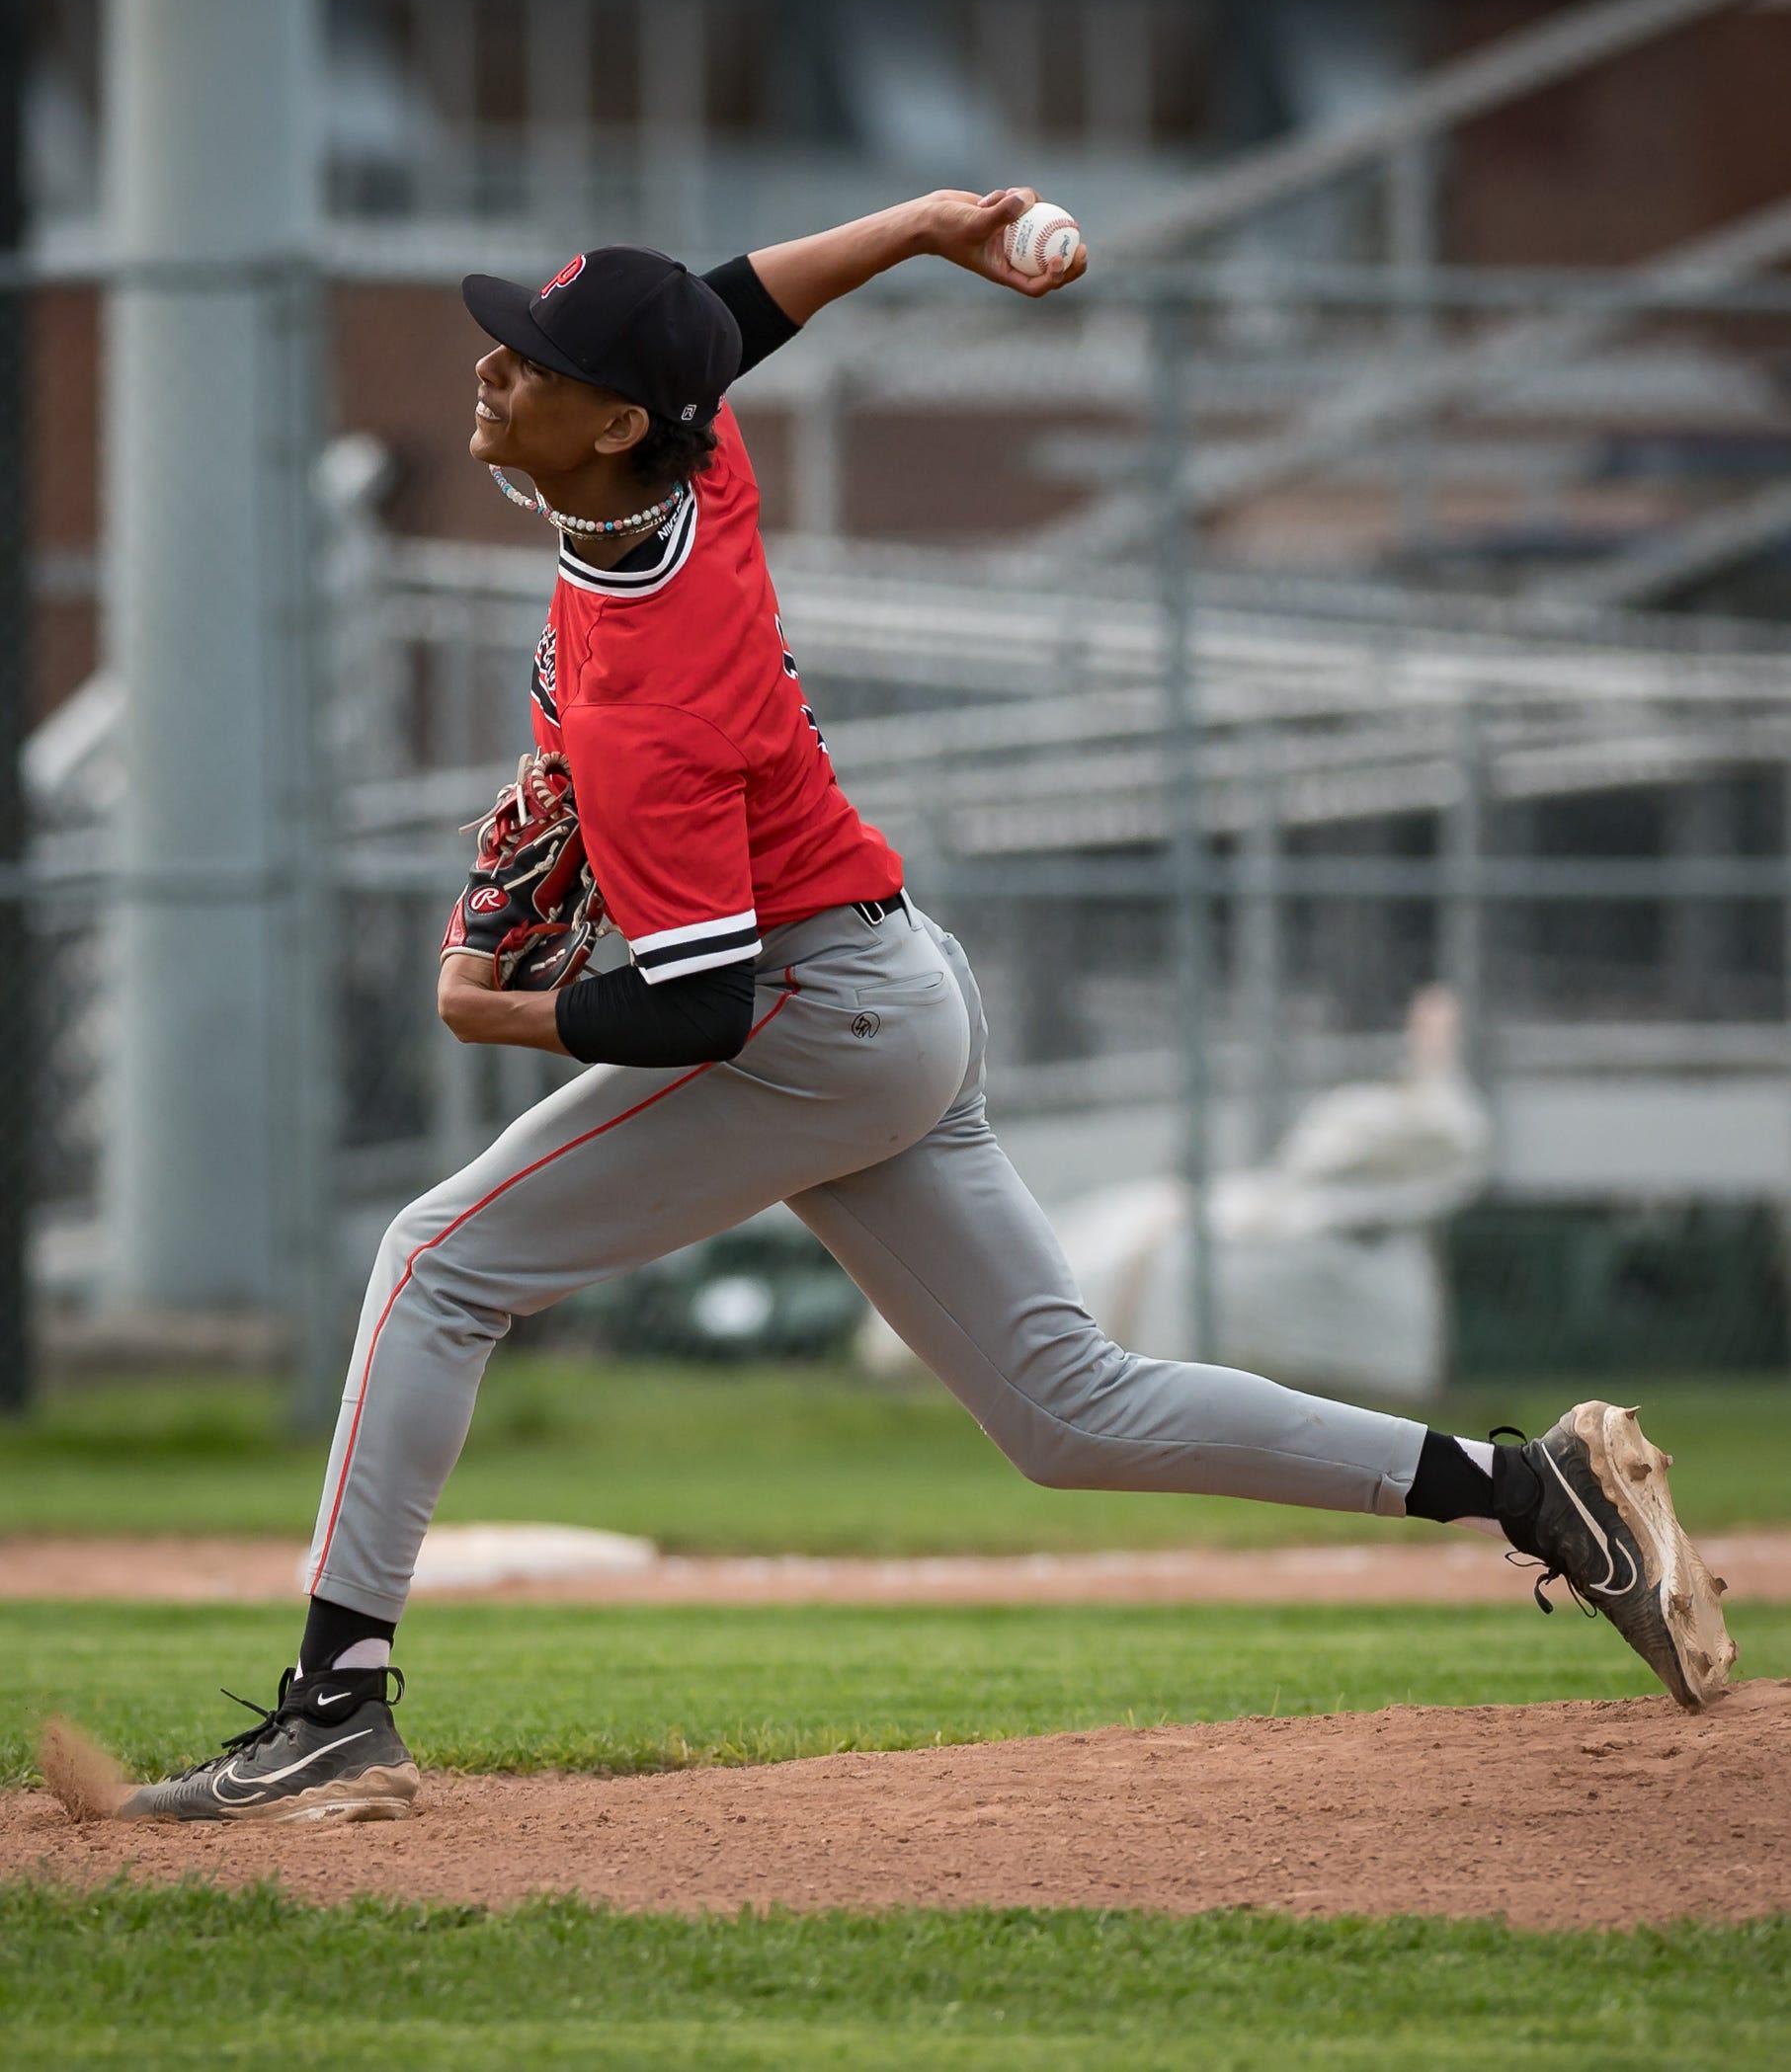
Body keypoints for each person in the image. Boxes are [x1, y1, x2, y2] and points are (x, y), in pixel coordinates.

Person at [121, 189, 1735, 1823]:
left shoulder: (650, 704)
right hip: (889, 986)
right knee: (1067, 1409)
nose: (486, 366)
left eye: (527, 359)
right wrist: (916, 226)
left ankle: (334, 1702)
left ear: (611, 423)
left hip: (805, 1015)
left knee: (436, 1261)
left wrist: (499, 1015)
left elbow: (699, 1009)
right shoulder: (691, 469)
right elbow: (724, 314)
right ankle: (1531, 1491)